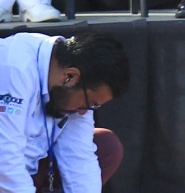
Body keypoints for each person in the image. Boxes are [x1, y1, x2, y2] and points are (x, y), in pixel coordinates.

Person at [0, 32, 128, 191]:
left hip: (24, 169)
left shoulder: (71, 82)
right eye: (89, 104)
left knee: (106, 145)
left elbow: (79, 158)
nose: (84, 112)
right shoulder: (13, 67)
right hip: (6, 166)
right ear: (70, 76)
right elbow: (4, 158)